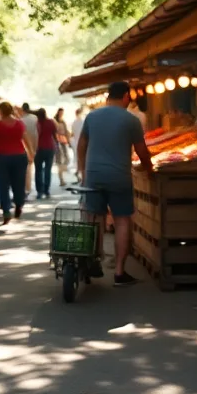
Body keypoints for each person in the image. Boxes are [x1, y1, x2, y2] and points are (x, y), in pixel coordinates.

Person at [77, 81, 155, 286]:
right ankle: (119, 272)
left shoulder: (91, 117)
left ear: (107, 97)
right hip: (119, 177)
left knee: (95, 218)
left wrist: (83, 171)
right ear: (126, 97)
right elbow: (142, 151)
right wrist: (150, 170)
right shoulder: (131, 120)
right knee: (121, 220)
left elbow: (82, 145)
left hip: (94, 176)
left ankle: (94, 261)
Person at [0, 101, 32, 224]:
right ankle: (19, 205)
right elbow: (26, 139)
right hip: (19, 156)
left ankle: (6, 210)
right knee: (19, 183)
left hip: (2, 157)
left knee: (3, 185)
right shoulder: (19, 124)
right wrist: (31, 153)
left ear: (1, 111)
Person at [33, 108, 58, 199]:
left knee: (38, 170)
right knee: (48, 170)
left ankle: (39, 191)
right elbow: (55, 135)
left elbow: (36, 135)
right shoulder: (51, 122)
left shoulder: (37, 123)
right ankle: (46, 190)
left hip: (39, 148)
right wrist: (57, 146)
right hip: (50, 148)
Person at [20, 103, 38, 192]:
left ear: (22, 109)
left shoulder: (21, 120)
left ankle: (27, 187)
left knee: (26, 168)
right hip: (35, 144)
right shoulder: (35, 118)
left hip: (25, 146)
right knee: (30, 167)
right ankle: (29, 187)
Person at [53, 108, 71, 188]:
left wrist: (68, 140)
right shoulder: (55, 121)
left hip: (63, 141)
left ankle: (62, 175)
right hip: (58, 141)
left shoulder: (62, 121)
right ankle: (61, 179)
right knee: (59, 161)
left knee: (66, 159)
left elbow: (66, 131)